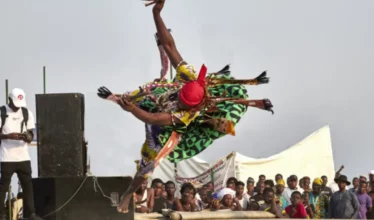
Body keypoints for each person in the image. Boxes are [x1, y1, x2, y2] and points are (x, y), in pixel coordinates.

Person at [97, 0, 273, 214]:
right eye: (180, 98)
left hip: (168, 128)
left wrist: (131, 110)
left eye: (181, 102)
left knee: (148, 164)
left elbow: (151, 120)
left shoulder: (184, 115)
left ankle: (127, 195)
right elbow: (170, 45)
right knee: (151, 87)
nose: (179, 102)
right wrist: (157, 13)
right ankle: (119, 97)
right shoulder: (189, 77)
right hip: (171, 97)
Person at [0, 88, 42, 220]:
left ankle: (31, 214)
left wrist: (27, 137)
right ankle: (1, 214)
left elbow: (31, 133)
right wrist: (9, 136)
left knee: (28, 185)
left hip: (23, 156)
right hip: (7, 156)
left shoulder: (26, 112)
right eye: (14, 105)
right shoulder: (0, 111)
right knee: (4, 185)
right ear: (10, 100)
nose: (16, 108)